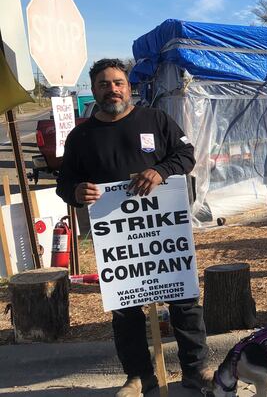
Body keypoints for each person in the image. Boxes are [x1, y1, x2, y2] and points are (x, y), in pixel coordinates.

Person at [57, 59, 212, 397]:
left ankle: (196, 369)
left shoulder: (155, 119)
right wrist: (76, 191)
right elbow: (64, 182)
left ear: (129, 87)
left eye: (118, 82)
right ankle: (139, 377)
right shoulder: (81, 136)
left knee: (184, 301)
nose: (111, 89)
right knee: (125, 310)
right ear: (94, 90)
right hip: (118, 240)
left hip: (164, 231)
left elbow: (186, 154)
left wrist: (160, 171)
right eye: (103, 84)